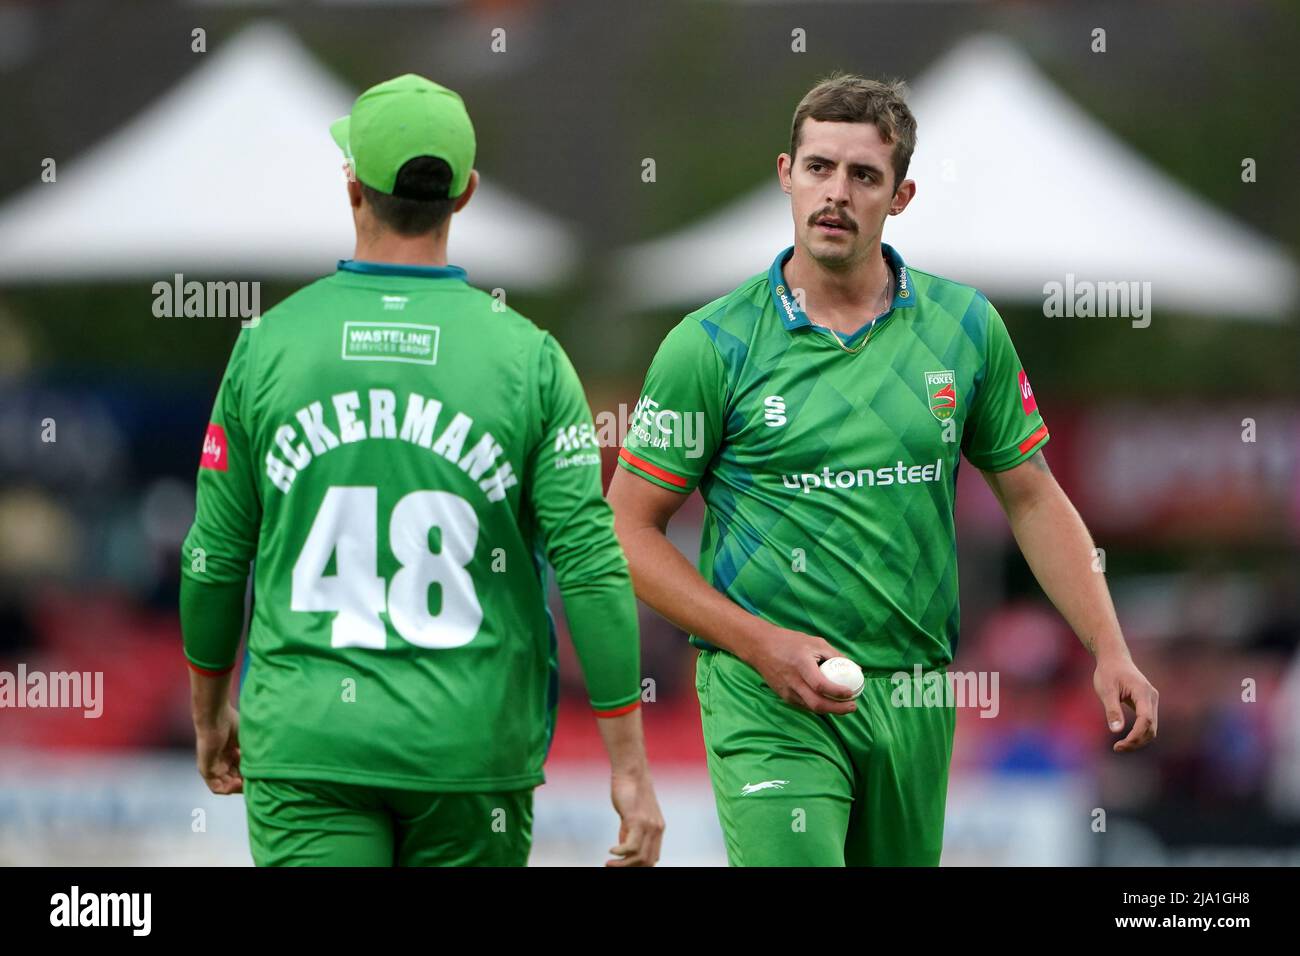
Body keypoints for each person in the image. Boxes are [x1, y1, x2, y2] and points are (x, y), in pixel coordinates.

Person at [607, 73, 1157, 866]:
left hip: (916, 694)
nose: (836, 193)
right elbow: (626, 529)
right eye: (820, 167)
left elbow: (1033, 497)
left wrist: (1110, 647)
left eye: (863, 175)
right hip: (764, 698)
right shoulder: (712, 344)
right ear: (785, 174)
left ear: (899, 196)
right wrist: (759, 643)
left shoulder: (965, 328)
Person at [180, 73, 662, 866]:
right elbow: (591, 566)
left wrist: (208, 712)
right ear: (466, 193)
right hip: (469, 752)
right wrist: (630, 768)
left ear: (351, 187)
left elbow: (212, 558)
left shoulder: (268, 345)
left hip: (310, 745)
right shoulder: (529, 357)